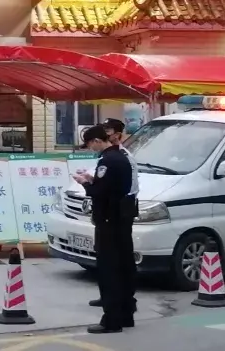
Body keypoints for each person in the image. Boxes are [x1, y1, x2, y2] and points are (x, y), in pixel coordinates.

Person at [73, 124, 136, 334]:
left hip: (109, 220)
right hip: (123, 218)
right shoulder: (123, 157)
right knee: (124, 267)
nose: (91, 149)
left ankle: (111, 320)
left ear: (97, 141)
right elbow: (114, 185)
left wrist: (84, 183)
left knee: (109, 270)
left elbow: (99, 192)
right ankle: (126, 314)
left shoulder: (107, 160)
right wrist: (94, 180)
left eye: (91, 145)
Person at [89, 119, 139, 315]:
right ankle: (112, 299)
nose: (105, 133)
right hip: (111, 211)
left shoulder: (122, 156)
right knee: (109, 259)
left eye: (108, 130)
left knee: (117, 260)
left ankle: (122, 303)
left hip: (119, 212)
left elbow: (130, 188)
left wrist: (91, 186)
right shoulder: (109, 156)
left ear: (117, 134)